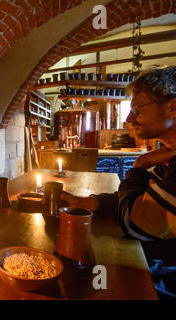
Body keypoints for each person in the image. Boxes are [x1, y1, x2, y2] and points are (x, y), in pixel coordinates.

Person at [62, 66, 176, 298]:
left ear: (173, 107)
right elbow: (143, 200)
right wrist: (89, 202)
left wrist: (139, 166)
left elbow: (137, 224)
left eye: (136, 109)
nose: (128, 118)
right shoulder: (169, 156)